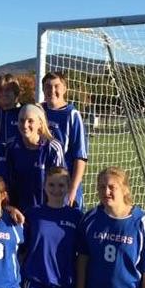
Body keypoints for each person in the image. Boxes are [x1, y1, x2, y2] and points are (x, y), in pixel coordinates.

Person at [21, 167, 83, 288]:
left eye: (61, 185)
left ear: (69, 186)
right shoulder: (33, 213)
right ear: (44, 186)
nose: (56, 189)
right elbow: (23, 247)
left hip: (65, 284)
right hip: (37, 283)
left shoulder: (76, 216)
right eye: (51, 185)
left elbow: (82, 254)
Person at [41, 72, 89, 208]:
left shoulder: (72, 115)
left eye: (57, 86)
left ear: (64, 88)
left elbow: (80, 157)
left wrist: (73, 190)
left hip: (64, 185)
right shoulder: (39, 110)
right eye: (48, 87)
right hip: (44, 184)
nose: (52, 90)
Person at [6, 104, 65, 212]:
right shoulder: (11, 147)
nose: (25, 125)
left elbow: (60, 185)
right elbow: (9, 183)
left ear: (40, 124)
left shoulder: (53, 148)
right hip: (19, 214)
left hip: (46, 213)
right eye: (21, 120)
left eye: (30, 121)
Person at [0, 74, 22, 145]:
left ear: (15, 93)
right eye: (0, 89)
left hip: (17, 155)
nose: (4, 93)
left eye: (8, 90)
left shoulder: (24, 113)